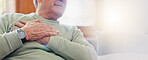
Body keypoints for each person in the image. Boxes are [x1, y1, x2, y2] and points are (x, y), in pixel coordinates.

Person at [0, 0, 98, 60]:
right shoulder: (9, 19)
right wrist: (23, 34)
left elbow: (91, 57)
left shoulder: (72, 31)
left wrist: (49, 40)